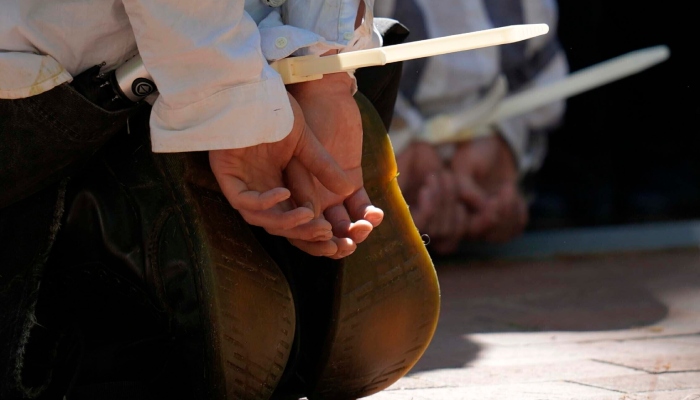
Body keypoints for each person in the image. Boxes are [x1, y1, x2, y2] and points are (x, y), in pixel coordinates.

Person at [1, 1, 439, 399]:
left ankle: (156, 272)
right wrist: (323, 72)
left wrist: (234, 106)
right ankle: (295, 299)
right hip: (250, 42)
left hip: (73, 76)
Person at [375, 0, 569, 254]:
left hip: (482, 171)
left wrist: (504, 148)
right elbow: (334, 55)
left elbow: (542, 72)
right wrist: (390, 153)